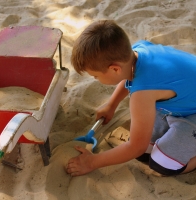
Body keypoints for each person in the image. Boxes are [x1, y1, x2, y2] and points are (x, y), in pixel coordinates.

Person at [66, 20, 196, 177]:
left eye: (95, 76)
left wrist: (91, 162)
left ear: (114, 69)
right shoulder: (136, 51)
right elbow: (128, 77)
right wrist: (111, 105)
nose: (95, 79)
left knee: (162, 164)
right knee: (145, 153)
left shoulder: (142, 93)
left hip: (190, 113)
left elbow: (136, 147)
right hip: (183, 103)